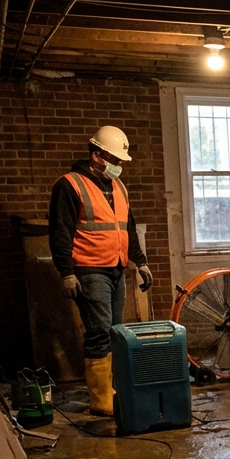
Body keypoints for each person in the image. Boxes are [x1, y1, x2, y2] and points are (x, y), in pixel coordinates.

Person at [48, 125, 152, 416]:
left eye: (120, 161)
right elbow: (60, 231)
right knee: (99, 333)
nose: (119, 166)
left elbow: (126, 227)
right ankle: (101, 399)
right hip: (90, 268)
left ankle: (113, 389)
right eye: (114, 160)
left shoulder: (118, 187)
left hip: (116, 266)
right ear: (96, 155)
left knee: (115, 331)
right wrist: (66, 272)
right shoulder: (69, 185)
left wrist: (140, 261)